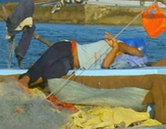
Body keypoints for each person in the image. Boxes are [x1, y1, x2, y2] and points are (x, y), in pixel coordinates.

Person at [18, 32, 146, 88]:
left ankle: (26, 86)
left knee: (50, 74)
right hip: (69, 48)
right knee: (44, 63)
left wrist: (114, 50)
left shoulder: (113, 59)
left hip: (72, 63)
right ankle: (25, 79)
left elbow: (106, 65)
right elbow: (137, 53)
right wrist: (117, 46)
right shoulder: (118, 43)